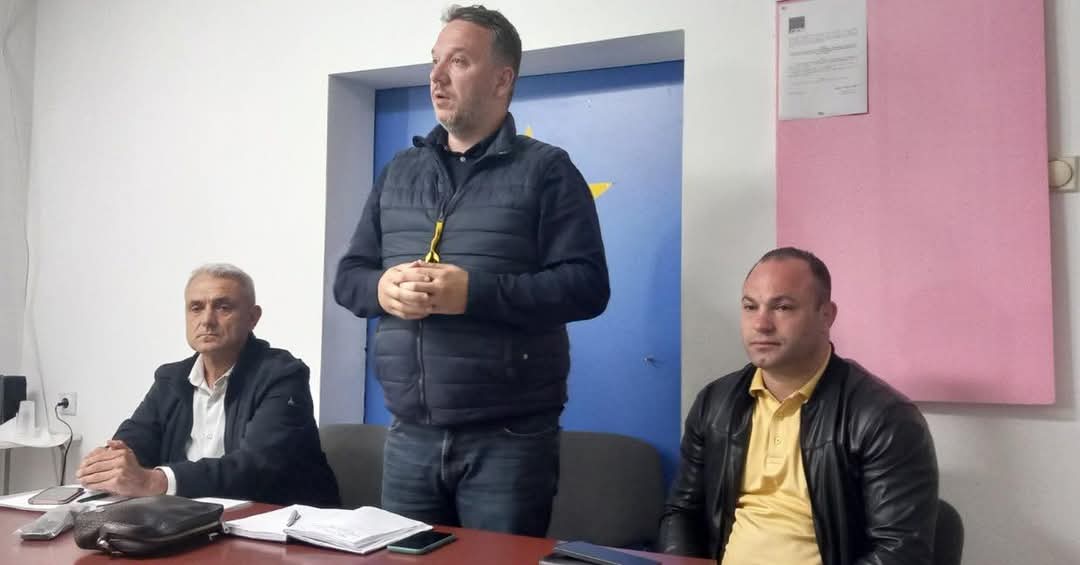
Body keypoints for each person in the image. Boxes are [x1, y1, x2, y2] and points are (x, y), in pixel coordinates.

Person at [333, 4, 608, 536]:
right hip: (409, 436)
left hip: (508, 441)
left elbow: (587, 287)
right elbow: (350, 278)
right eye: (434, 61)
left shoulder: (547, 170)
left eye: (458, 61)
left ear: (502, 80)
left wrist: (474, 293)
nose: (436, 77)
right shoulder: (400, 171)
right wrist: (382, 288)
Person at [659, 247, 938, 564]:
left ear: (826, 315)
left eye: (782, 307)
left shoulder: (883, 418)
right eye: (750, 307)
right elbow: (682, 512)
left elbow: (900, 552)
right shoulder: (715, 403)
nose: (761, 324)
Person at [75, 263, 340, 507]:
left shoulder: (283, 375)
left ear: (252, 317)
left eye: (223, 307)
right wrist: (112, 463)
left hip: (276, 524)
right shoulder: (170, 379)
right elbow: (137, 438)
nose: (207, 320)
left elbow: (256, 467)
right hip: (189, 519)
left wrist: (156, 481)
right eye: (196, 308)